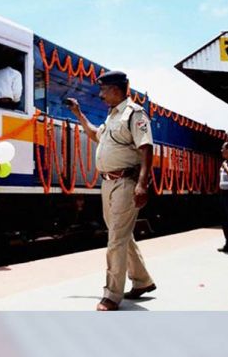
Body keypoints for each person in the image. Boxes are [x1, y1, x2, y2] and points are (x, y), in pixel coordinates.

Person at [66, 70, 156, 311]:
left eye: (104, 90)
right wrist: (78, 114)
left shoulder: (134, 114)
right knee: (121, 235)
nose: (101, 94)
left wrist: (141, 184)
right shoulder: (112, 116)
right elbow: (96, 135)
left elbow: (146, 148)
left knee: (116, 238)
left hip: (126, 182)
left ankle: (111, 295)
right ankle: (143, 281)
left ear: (116, 90)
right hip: (108, 183)